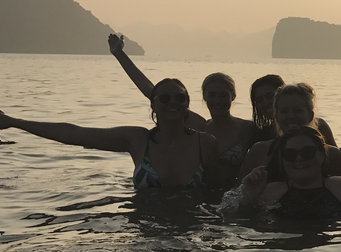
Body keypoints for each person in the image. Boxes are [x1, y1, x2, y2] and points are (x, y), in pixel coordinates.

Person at [0, 78, 219, 190]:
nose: (173, 103)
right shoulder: (138, 139)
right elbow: (75, 133)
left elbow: (221, 191)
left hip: (191, 236)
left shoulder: (204, 143)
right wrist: (13, 122)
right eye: (165, 98)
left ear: (188, 103)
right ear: (154, 105)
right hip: (146, 236)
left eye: (180, 98)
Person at [108, 34, 256, 187]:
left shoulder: (247, 129)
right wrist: (119, 54)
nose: (217, 101)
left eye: (223, 95)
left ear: (233, 96)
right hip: (203, 198)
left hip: (232, 198)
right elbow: (151, 92)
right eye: (212, 95)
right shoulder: (199, 126)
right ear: (204, 97)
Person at [226, 126, 341, 218]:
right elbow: (241, 222)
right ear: (283, 159)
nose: (299, 159)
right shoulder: (268, 192)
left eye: (307, 152)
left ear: (322, 155)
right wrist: (248, 197)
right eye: (290, 154)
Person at [238, 83, 341, 181]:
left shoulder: (332, 155)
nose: (291, 116)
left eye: (298, 110)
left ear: (310, 115)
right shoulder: (259, 151)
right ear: (276, 116)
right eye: (284, 111)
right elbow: (235, 194)